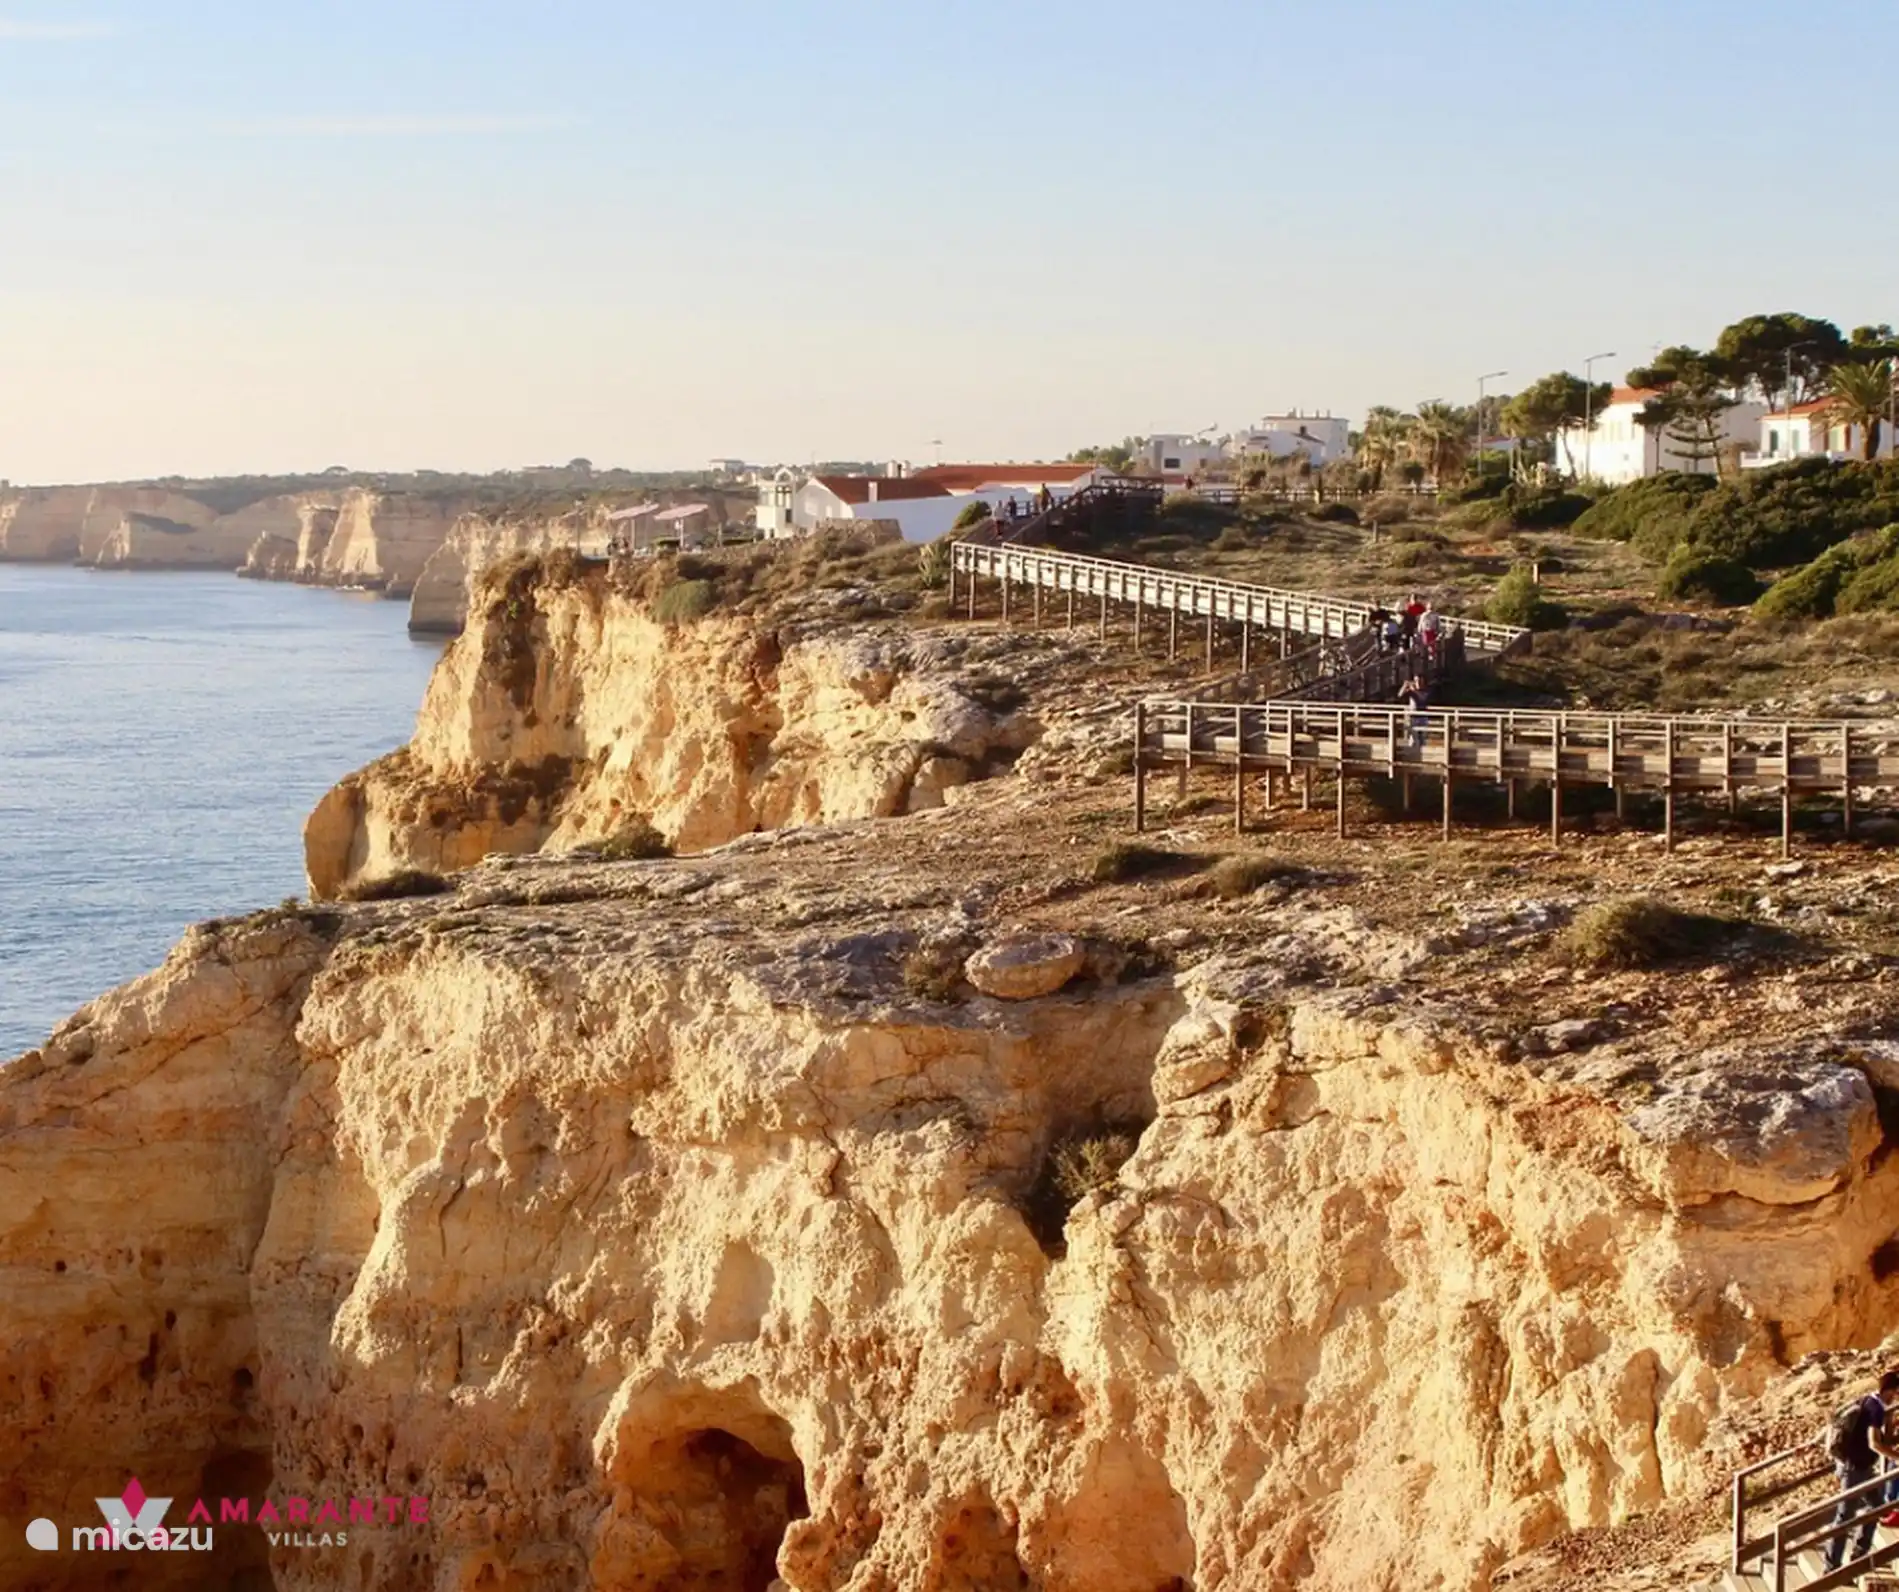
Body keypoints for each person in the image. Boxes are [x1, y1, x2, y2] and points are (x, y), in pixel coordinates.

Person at [1824, 1369, 1899, 1571]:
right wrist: (1896, 1457)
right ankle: (1831, 1567)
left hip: (1858, 1467)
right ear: (1890, 1390)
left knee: (1877, 1508)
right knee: (1844, 1516)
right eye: (1896, 1392)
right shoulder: (1876, 1409)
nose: (1895, 1397)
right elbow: (1874, 1443)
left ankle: (1859, 1555)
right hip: (1855, 1470)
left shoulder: (1867, 1400)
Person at [1399, 674, 1431, 750]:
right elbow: (1400, 695)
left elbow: (1423, 699)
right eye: (1416, 681)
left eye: (1420, 681)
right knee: (1413, 738)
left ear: (1423, 681)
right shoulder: (1411, 692)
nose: (1418, 683)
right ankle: (1411, 752)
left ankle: (1423, 752)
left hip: (1423, 717)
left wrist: (1414, 691)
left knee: (1422, 738)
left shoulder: (1426, 691)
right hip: (1413, 717)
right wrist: (1405, 685)